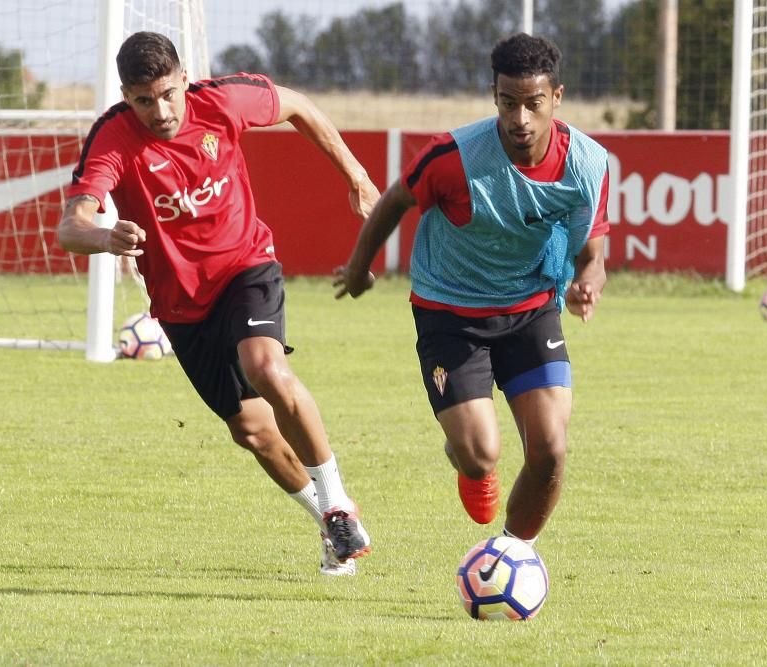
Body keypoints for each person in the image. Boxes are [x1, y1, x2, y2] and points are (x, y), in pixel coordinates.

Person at [59, 32, 378, 575]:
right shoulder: (112, 137)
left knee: (266, 366)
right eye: (143, 100)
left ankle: (338, 498)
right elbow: (72, 224)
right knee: (252, 432)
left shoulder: (223, 100)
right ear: (125, 95)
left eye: (166, 94)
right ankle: (329, 522)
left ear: (184, 79)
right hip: (181, 304)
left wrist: (356, 175)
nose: (159, 111)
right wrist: (104, 236)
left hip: (245, 266)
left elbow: (298, 104)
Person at [334, 33, 609, 546]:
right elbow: (394, 202)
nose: (520, 118)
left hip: (531, 310)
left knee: (550, 450)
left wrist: (587, 283)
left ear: (557, 97)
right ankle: (467, 459)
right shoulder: (454, 157)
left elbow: (592, 254)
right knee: (481, 452)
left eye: (534, 103)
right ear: (495, 96)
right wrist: (357, 269)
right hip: (450, 313)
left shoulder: (587, 165)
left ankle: (509, 555)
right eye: (509, 102)